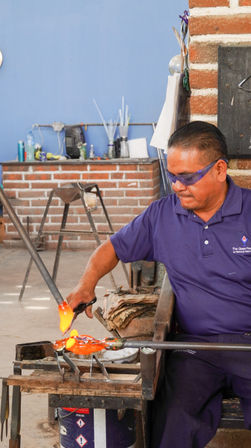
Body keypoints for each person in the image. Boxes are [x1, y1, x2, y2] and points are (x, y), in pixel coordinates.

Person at [67, 121, 251, 447]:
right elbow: (111, 248)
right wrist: (87, 284)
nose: (178, 186)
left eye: (188, 177)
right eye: (173, 176)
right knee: (170, 425)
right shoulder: (162, 216)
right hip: (195, 349)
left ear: (220, 169)